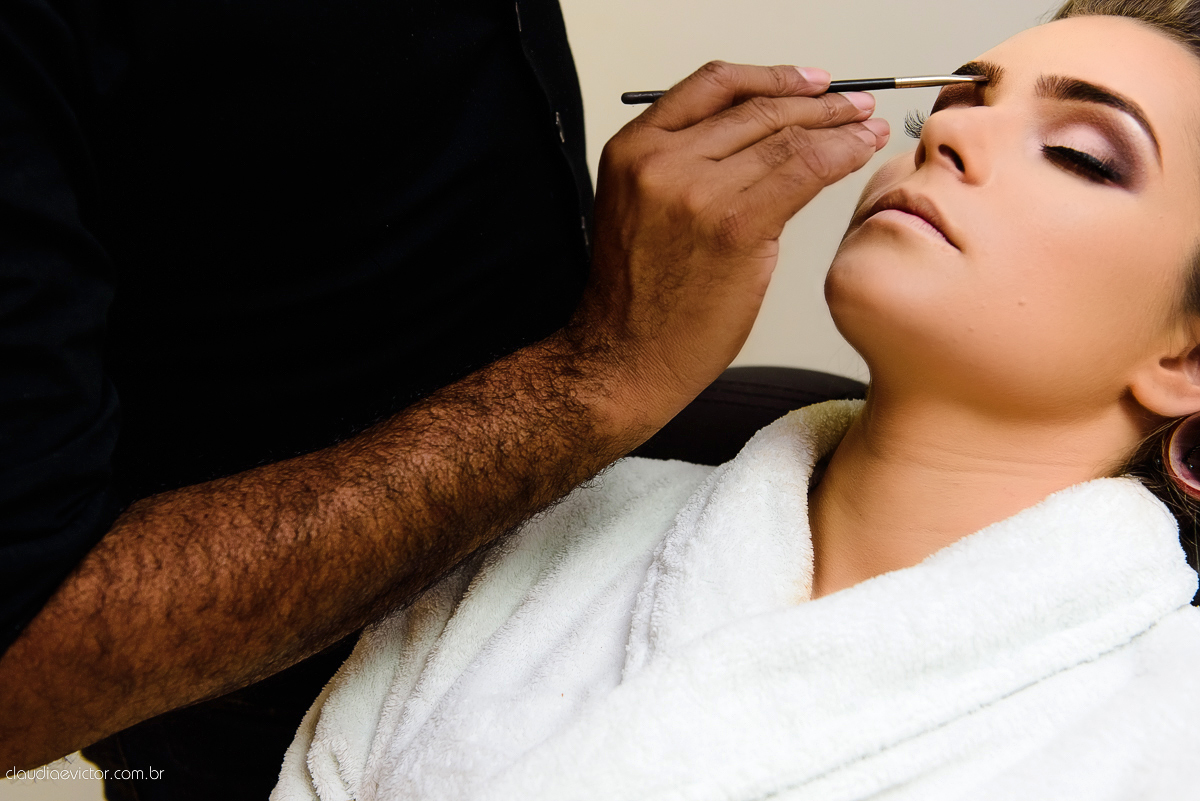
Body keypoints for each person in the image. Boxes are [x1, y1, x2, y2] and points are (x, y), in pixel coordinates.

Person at [271, 2, 1200, 799]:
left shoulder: (1173, 726)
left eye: (1082, 154)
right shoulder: (547, 530)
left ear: (1189, 360)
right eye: (944, 111)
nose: (949, 135)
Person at [0, 0, 889, 796]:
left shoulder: (771, 443)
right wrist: (599, 376)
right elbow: (22, 670)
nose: (954, 139)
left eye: (1037, 139)